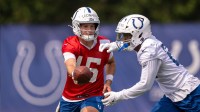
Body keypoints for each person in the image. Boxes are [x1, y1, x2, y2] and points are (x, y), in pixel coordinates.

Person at [99, 14, 200, 112]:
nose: (123, 39)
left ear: (140, 35)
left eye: (127, 35)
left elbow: (145, 85)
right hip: (173, 96)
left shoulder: (149, 51)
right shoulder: (148, 40)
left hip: (191, 95)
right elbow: (133, 42)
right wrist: (115, 45)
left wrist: (118, 96)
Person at [57, 7, 116, 112]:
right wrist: (76, 74)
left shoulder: (104, 43)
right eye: (85, 26)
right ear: (76, 26)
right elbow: (70, 64)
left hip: (94, 95)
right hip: (70, 97)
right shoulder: (71, 43)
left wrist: (108, 82)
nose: (89, 30)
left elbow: (111, 62)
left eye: (92, 26)